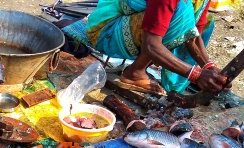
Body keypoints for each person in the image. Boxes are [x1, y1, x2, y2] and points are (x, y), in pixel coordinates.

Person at [87, 0, 229, 95]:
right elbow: (151, 45)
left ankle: (175, 87)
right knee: (182, 11)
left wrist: (210, 67)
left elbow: (193, 36)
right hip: (106, 31)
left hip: (137, 33)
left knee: (206, 22)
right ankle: (134, 72)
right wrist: (196, 75)